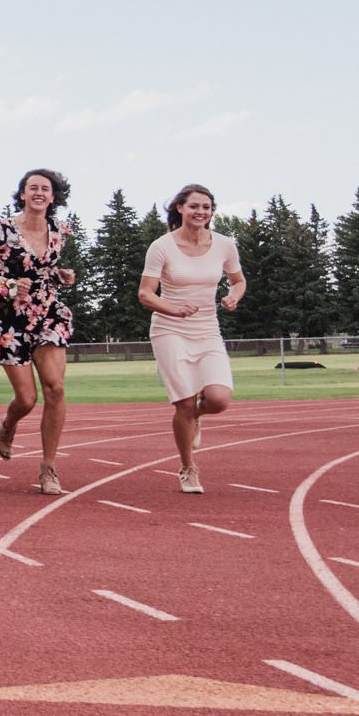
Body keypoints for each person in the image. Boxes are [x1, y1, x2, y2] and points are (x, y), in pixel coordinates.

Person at [0, 169, 78, 496]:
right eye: (33, 188)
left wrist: (59, 275)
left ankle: (48, 468)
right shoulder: (1, 231)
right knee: (27, 399)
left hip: (47, 313)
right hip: (8, 319)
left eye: (45, 188)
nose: (39, 192)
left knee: (55, 389)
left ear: (54, 197)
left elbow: (42, 269)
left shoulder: (60, 231)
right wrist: (9, 285)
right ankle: (9, 424)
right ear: (22, 194)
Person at [138, 184, 246, 495]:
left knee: (219, 399)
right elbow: (145, 294)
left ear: (212, 212)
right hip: (169, 329)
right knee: (184, 402)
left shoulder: (225, 245)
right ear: (180, 209)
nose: (201, 212)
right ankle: (188, 467)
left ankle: (197, 417)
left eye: (206, 207)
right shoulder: (161, 246)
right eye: (194, 206)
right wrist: (173, 308)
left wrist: (233, 296)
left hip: (207, 328)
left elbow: (238, 281)